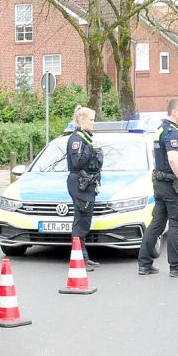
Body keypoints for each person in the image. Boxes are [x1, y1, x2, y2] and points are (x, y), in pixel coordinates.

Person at [138, 98, 178, 277]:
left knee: (156, 224)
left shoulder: (161, 130)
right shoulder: (171, 132)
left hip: (161, 184)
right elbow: (172, 158)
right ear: (174, 112)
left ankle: (145, 263)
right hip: (173, 186)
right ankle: (177, 266)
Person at [65, 106, 102, 268]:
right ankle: (79, 259)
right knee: (81, 222)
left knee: (84, 221)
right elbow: (77, 162)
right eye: (91, 120)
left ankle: (84, 258)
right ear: (81, 120)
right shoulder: (77, 140)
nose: (93, 123)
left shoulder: (87, 138)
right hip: (79, 183)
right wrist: (89, 149)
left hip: (87, 184)